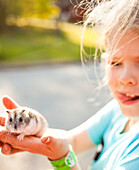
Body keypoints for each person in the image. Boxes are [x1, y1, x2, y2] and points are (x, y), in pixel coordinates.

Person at [0, 0, 139, 169]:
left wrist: (62, 158)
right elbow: (72, 140)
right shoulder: (118, 111)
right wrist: (36, 129)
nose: (125, 78)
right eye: (115, 63)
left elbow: (67, 148)